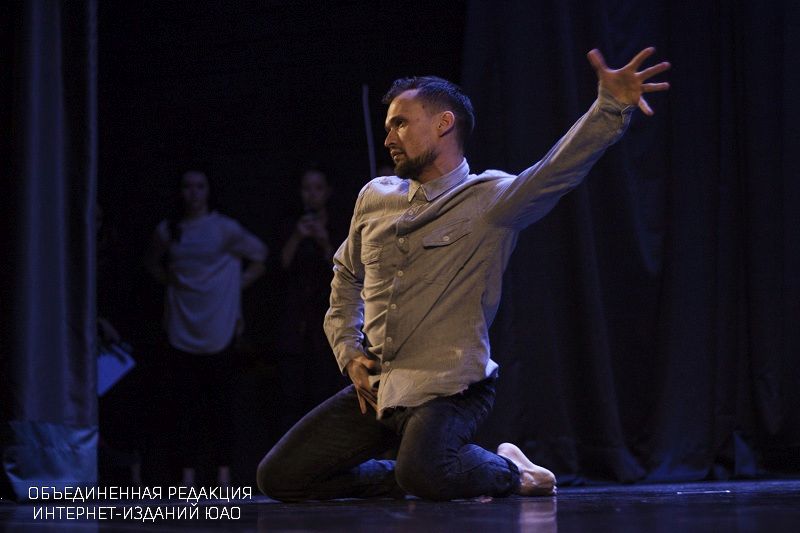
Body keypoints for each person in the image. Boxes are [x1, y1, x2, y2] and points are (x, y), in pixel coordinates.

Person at [257, 47, 670, 501]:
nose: (389, 136)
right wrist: (349, 351)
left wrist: (609, 106)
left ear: (443, 123)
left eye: (400, 123)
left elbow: (555, 171)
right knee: (279, 477)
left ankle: (509, 469)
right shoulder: (375, 196)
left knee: (424, 472)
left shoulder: (488, 200)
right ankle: (420, 470)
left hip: (449, 389)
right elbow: (345, 275)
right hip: (378, 388)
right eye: (388, 126)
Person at [146, 170, 267, 487]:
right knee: (184, 406)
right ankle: (186, 475)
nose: (194, 193)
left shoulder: (224, 229)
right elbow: (152, 263)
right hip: (182, 325)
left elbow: (259, 255)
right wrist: (175, 284)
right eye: (187, 186)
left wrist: (229, 288)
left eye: (200, 186)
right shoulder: (168, 230)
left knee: (220, 405)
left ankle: (223, 473)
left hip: (218, 327)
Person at [276, 167, 348, 431]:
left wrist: (324, 241)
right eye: (307, 189)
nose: (312, 195)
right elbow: (279, 266)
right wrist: (297, 236)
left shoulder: (338, 225)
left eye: (317, 188)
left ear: (327, 191)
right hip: (295, 320)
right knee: (292, 394)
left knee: (324, 389)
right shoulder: (289, 225)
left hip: (326, 319)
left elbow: (345, 272)